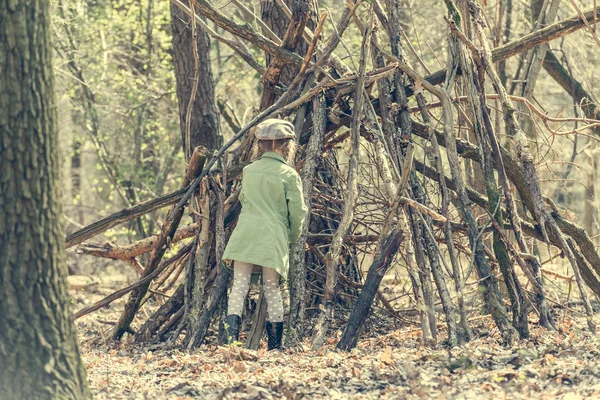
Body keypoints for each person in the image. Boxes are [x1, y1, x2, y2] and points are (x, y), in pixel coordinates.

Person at [222, 119, 308, 350]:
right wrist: (291, 238)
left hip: (245, 234)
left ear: (260, 145)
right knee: (272, 289)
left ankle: (232, 343)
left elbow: (243, 201)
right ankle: (274, 347)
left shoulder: (249, 171)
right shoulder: (288, 174)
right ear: (286, 145)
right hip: (272, 238)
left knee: (239, 286)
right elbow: (298, 213)